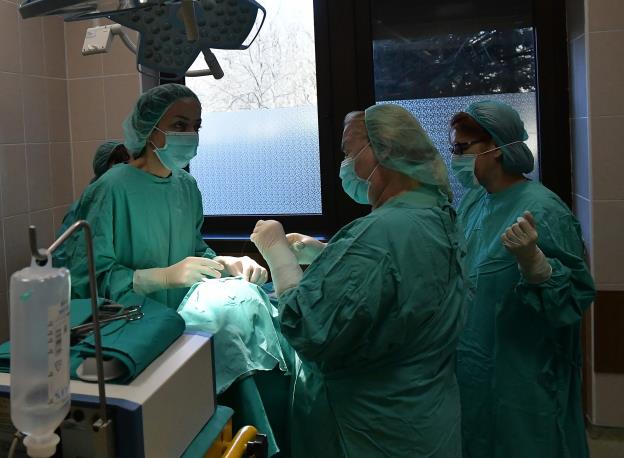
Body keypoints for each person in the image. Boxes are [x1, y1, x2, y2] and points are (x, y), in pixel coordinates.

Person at [251, 104, 467, 457]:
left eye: (349, 151)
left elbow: (307, 326)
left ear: (384, 149)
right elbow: (404, 279)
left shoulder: (379, 233)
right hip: (426, 415)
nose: (345, 163)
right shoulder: (435, 214)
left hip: (376, 427)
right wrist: (328, 255)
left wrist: (277, 252)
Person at [449, 100, 595, 457]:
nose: (455, 158)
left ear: (496, 147)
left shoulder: (543, 210)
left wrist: (537, 266)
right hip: (473, 366)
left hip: (525, 375)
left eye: (462, 148)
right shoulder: (474, 202)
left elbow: (573, 300)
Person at [66, 83, 267, 306]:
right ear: (149, 128)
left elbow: (194, 252)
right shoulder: (110, 189)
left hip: (181, 317)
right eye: (179, 125)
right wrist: (160, 278)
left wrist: (223, 264)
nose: (191, 135)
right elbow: (88, 279)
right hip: (130, 318)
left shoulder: (187, 186)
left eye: (196, 127)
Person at [53, 141, 131, 267]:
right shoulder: (86, 205)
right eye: (118, 165)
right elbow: (60, 254)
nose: (123, 171)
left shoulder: (126, 201)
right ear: (104, 169)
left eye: (127, 164)